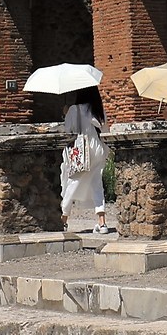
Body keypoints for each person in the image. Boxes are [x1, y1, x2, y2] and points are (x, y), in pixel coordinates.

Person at [59, 88, 109, 236]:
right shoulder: (98, 109)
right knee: (97, 184)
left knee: (72, 183)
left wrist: (65, 114)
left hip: (81, 151)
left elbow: (68, 130)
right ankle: (102, 222)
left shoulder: (74, 109)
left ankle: (63, 218)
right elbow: (105, 129)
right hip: (97, 148)